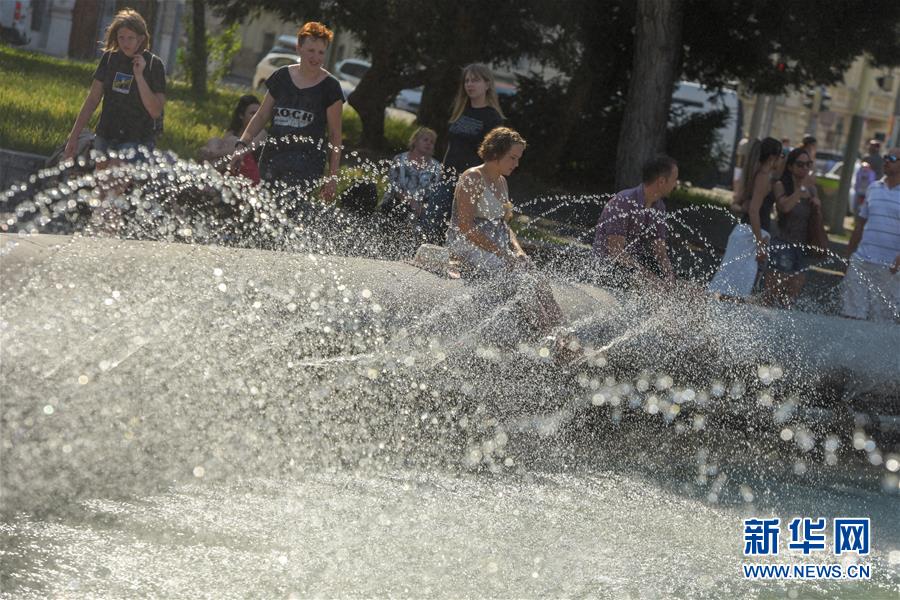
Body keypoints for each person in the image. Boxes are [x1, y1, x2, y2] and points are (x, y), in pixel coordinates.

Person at [447, 127, 565, 341]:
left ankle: (566, 338)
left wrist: (518, 251)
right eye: (512, 157)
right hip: (469, 244)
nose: (516, 164)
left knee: (538, 279)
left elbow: (504, 226)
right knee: (522, 281)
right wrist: (502, 253)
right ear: (496, 152)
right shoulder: (473, 177)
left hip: (497, 246)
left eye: (518, 158)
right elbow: (465, 226)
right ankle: (549, 339)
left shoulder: (502, 182)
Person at [233, 22, 343, 203]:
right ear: (299, 48)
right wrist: (241, 146)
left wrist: (332, 177)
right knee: (265, 211)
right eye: (311, 50)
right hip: (272, 158)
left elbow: (335, 135)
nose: (316, 57)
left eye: (321, 52)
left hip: (306, 164)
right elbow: (261, 115)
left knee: (288, 210)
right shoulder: (281, 77)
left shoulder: (330, 87)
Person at [63, 8, 166, 162]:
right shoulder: (110, 59)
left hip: (136, 138)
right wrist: (74, 136)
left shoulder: (153, 65)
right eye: (121, 37)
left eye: (131, 38)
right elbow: (92, 99)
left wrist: (139, 76)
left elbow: (155, 111)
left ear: (141, 39)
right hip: (106, 133)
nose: (125, 43)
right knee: (102, 181)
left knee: (115, 180)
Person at [707, 137, 783, 299]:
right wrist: (760, 243)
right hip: (751, 235)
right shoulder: (763, 177)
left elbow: (739, 204)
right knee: (737, 292)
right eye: (780, 156)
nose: (781, 160)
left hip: (743, 233)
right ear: (772, 158)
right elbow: (754, 211)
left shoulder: (753, 173)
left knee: (731, 290)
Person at [592, 155, 679, 288]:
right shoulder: (623, 201)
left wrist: (669, 276)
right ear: (661, 181)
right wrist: (650, 278)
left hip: (634, 266)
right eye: (674, 180)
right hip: (608, 267)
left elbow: (660, 251)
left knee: (689, 289)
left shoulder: (659, 207)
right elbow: (615, 251)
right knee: (653, 288)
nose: (676, 184)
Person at [841, 148, 900, 322]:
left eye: (892, 158)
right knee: (851, 315)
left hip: (889, 268)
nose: (886, 161)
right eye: (885, 158)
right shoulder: (873, 188)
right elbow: (860, 224)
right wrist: (849, 256)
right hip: (862, 261)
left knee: (881, 322)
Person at [764, 148, 822, 306]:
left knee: (789, 299)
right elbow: (784, 207)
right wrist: (800, 190)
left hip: (802, 247)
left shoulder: (812, 189)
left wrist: (817, 206)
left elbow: (815, 218)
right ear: (790, 167)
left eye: (808, 165)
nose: (805, 168)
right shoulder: (780, 185)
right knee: (771, 295)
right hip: (783, 244)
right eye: (800, 164)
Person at [384, 127, 443, 226]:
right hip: (396, 202)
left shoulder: (436, 167)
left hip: (421, 209)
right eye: (425, 140)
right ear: (414, 141)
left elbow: (433, 194)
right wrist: (411, 203)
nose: (429, 143)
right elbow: (394, 188)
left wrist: (421, 208)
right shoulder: (399, 159)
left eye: (432, 142)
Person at [201, 94, 263, 183]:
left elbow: (243, 150)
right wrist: (206, 151)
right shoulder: (233, 132)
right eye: (252, 113)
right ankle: (208, 175)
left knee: (233, 141)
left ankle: (205, 175)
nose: (256, 117)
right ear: (241, 115)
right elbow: (221, 149)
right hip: (230, 170)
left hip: (247, 173)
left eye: (258, 114)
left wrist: (212, 153)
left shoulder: (261, 133)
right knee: (214, 140)